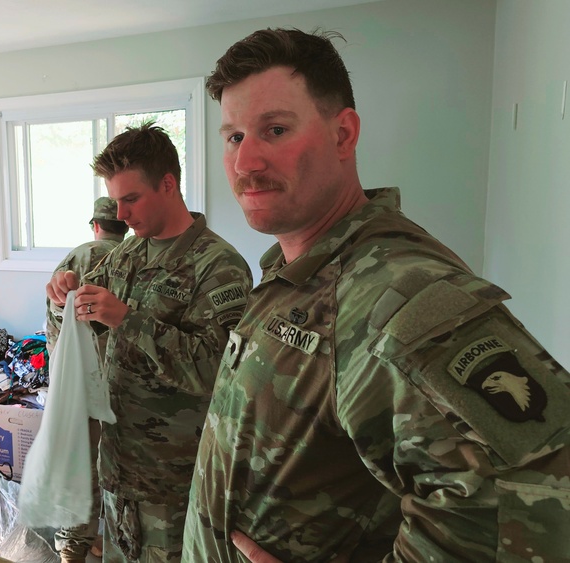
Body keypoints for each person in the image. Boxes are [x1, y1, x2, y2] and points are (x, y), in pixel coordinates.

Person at [183, 28, 570, 562]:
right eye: (233, 137)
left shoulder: (396, 291)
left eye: (274, 130)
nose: (245, 163)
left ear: (343, 135)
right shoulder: (296, 273)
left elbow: (540, 505)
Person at [46, 123, 253, 563]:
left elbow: (217, 372)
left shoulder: (219, 267)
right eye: (115, 201)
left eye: (131, 199)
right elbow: (80, 323)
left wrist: (127, 320)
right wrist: (62, 295)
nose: (120, 215)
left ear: (168, 184)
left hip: (174, 483)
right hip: (118, 472)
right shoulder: (127, 254)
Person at [47, 196, 129, 562]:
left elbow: (55, 327)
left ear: (95, 224)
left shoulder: (78, 258)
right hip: (122, 385)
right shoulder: (133, 259)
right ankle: (111, 540)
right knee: (113, 466)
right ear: (123, 226)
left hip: (78, 383)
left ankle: (72, 548)